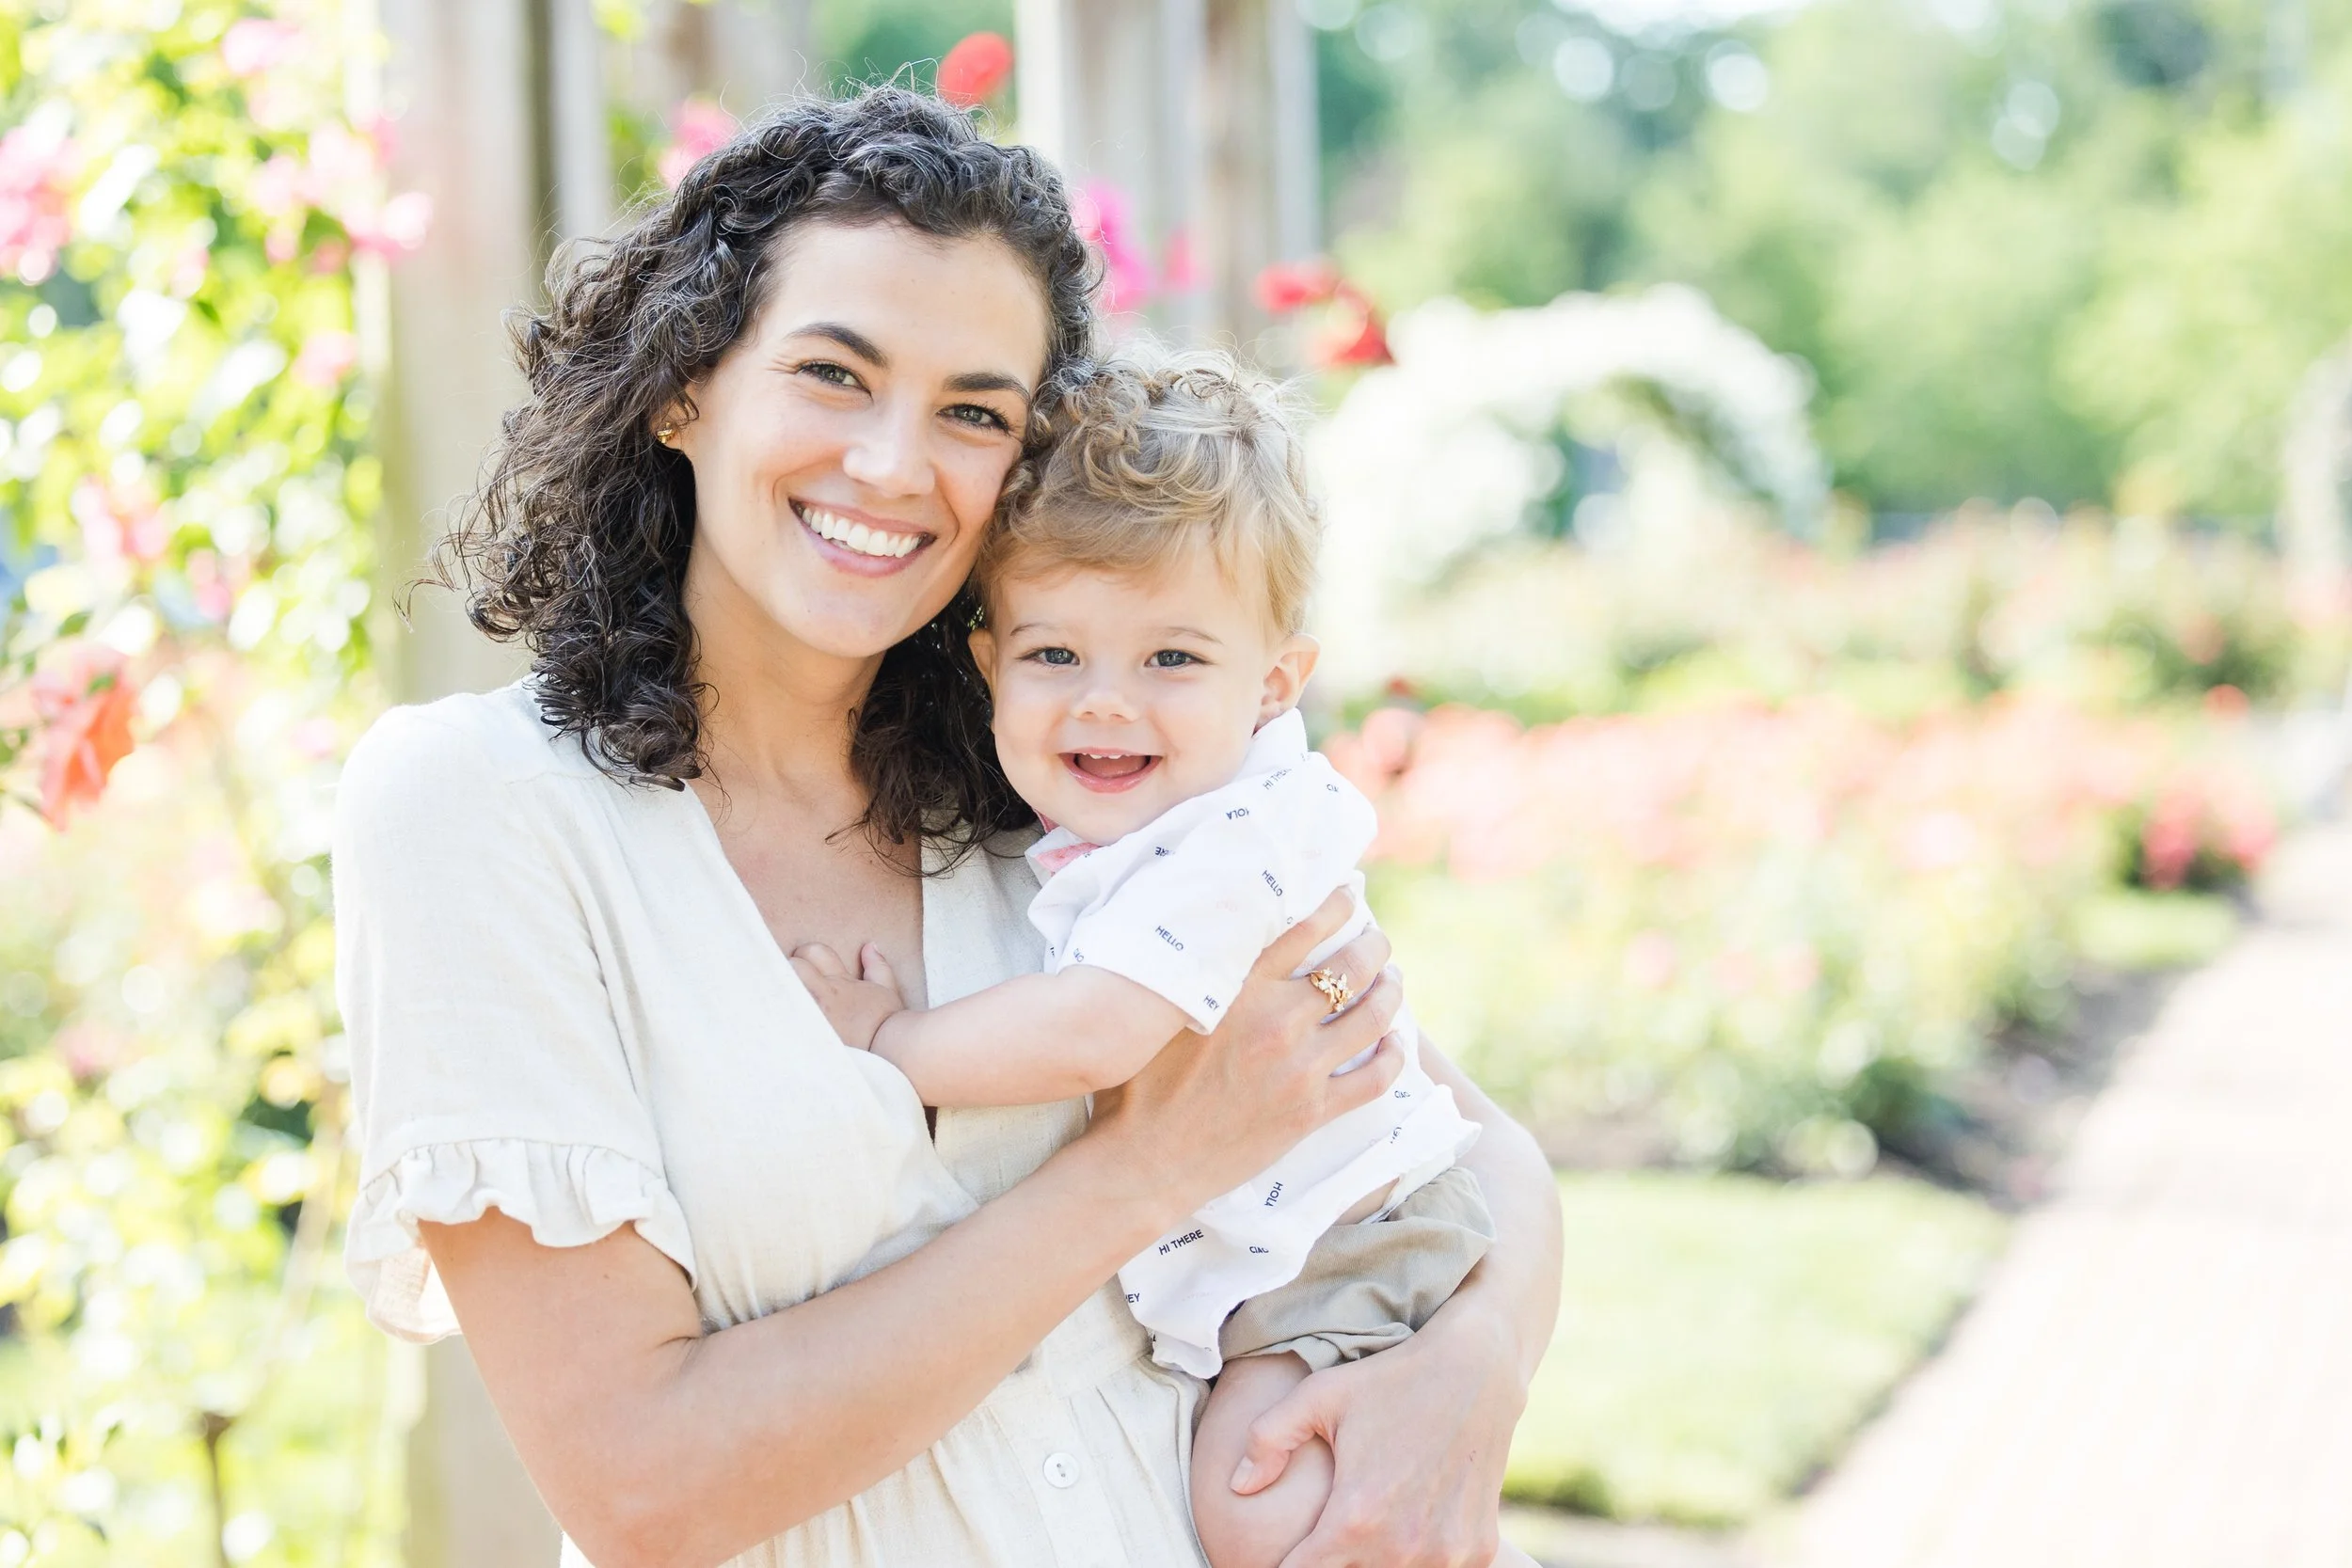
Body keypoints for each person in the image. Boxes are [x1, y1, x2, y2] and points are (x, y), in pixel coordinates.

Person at [335, 87, 1561, 1568]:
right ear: (683, 389)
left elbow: (1473, 1146)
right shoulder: (487, 814)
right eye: (835, 375)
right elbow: (640, 1484)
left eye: (974, 410)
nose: (896, 465)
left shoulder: (1066, 783)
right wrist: (1143, 1172)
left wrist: (1472, 1370)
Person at [787, 347, 1533, 1568]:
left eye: (1172, 659)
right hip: (1303, 1246)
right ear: (988, 667)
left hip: (1349, 1242)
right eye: (1055, 656)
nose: (1107, 704)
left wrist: (893, 1041)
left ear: (1273, 683)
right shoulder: (1131, 834)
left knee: (1257, 1503)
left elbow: (1096, 1028)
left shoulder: (1228, 839)